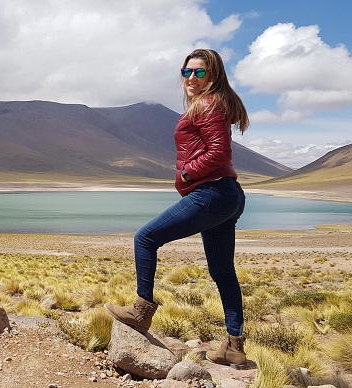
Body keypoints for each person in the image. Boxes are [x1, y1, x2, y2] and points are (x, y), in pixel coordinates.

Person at [105, 48, 250, 368]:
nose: (192, 78)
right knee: (223, 271)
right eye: (187, 72)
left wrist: (187, 173)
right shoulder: (210, 104)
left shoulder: (210, 104)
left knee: (145, 238)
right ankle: (234, 347)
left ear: (213, 76)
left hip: (211, 192)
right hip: (227, 195)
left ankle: (141, 311)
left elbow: (219, 152)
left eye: (200, 72)